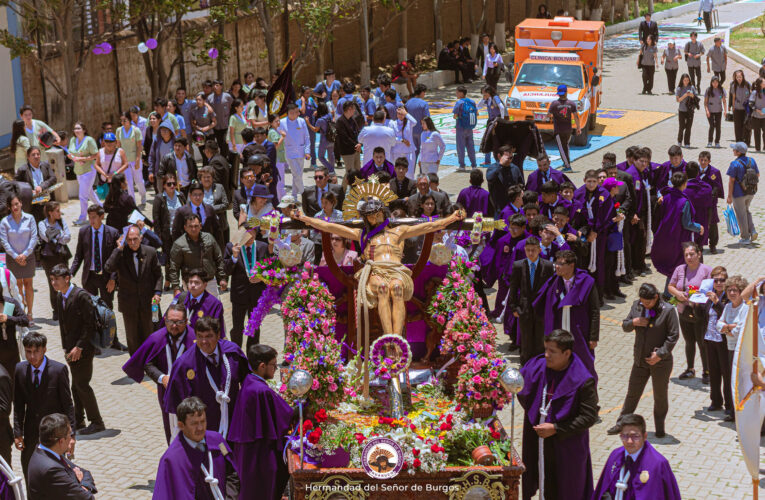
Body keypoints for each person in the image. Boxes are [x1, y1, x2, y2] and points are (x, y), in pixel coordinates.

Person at [518, 329, 599, 500]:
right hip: (539, 441)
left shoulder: (583, 379)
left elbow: (588, 417)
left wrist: (556, 428)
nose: (546, 355)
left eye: (552, 351)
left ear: (567, 353)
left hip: (566, 445)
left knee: (566, 491)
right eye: (546, 349)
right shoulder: (538, 367)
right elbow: (522, 391)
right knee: (542, 482)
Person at [606, 283, 679, 437]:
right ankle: (621, 423)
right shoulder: (637, 306)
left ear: (656, 297)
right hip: (640, 360)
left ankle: (660, 428)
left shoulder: (669, 310)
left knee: (660, 396)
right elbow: (625, 325)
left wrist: (660, 354)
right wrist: (634, 322)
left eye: (648, 303)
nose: (645, 305)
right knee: (632, 393)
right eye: (642, 302)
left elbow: (673, 336)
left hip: (660, 362)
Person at [122, 304, 196, 443]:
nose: (174, 326)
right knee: (170, 428)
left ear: (186, 322)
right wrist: (162, 378)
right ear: (165, 320)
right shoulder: (157, 339)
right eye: (170, 322)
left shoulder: (195, 340)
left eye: (179, 322)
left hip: (191, 392)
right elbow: (148, 364)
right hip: (166, 392)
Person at [229, 344, 295, 500]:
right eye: (273, 365)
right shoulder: (260, 390)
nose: (275, 369)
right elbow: (284, 416)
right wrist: (301, 407)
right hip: (258, 454)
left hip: (249, 449)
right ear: (262, 366)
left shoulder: (249, 380)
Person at [164, 317, 248, 438]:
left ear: (218, 335)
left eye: (209, 336)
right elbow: (176, 403)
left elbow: (248, 383)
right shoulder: (185, 364)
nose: (204, 341)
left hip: (234, 423)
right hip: (204, 429)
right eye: (200, 336)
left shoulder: (232, 354)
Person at [50, 264, 105, 435]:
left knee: (82, 384)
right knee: (75, 386)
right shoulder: (60, 297)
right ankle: (79, 420)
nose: (53, 283)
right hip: (71, 349)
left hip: (84, 349)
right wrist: (66, 348)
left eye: (56, 279)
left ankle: (97, 422)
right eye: (51, 280)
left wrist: (79, 346)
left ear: (67, 279)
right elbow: (63, 326)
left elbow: (90, 326)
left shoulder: (81, 296)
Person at [13, 332, 76, 476]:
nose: (32, 356)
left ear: (44, 350)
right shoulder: (20, 370)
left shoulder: (58, 370)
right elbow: (18, 405)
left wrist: (71, 435)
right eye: (28, 352)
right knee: (30, 474)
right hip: (31, 434)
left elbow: (68, 405)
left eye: (36, 351)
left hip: (54, 435)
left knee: (54, 475)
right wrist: (17, 433)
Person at [154, 396, 239, 499]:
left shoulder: (219, 442)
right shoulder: (171, 460)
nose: (200, 428)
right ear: (181, 425)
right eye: (194, 423)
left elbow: (232, 473)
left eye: (203, 421)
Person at [69, 205, 127, 350]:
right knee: (90, 311)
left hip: (106, 278)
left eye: (94, 217)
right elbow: (79, 256)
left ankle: (113, 340)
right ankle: (94, 342)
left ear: (101, 217)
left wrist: (113, 278)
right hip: (90, 277)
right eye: (89, 217)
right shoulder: (84, 232)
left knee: (107, 309)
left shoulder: (112, 233)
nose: (91, 220)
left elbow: (117, 259)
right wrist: (70, 273)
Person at [534, 250, 600, 378]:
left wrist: (593, 337)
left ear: (571, 265)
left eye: (561, 264)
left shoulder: (587, 282)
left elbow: (594, 311)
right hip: (560, 330)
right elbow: (547, 310)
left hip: (580, 331)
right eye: (556, 263)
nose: (557, 266)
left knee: (585, 364)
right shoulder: (554, 282)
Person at [104, 225, 162, 355]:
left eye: (135, 239)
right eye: (129, 240)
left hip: (148, 302)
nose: (132, 242)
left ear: (141, 238)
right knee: (132, 337)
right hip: (128, 303)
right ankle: (135, 365)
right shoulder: (121, 254)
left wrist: (157, 293)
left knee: (149, 333)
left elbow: (158, 275)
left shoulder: (150, 252)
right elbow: (108, 267)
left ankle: (150, 362)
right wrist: (118, 248)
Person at [594, 414, 681, 500]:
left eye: (635, 436)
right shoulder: (615, 455)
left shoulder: (658, 464)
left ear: (645, 436)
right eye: (625, 436)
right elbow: (603, 488)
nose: (629, 441)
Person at [667, 242, 712, 384]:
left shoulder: (706, 270)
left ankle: (707, 371)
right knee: (689, 341)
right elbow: (670, 286)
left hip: (699, 313)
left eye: (692, 254)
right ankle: (690, 368)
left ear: (699, 254)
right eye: (686, 255)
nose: (689, 257)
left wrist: (697, 296)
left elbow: (710, 290)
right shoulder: (680, 269)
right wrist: (678, 294)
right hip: (683, 310)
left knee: (702, 342)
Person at [27, 413, 97, 498]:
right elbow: (86, 498)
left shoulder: (47, 451)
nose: (72, 441)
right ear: (61, 441)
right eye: (70, 435)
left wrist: (80, 484)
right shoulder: (51, 469)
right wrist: (83, 485)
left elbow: (85, 473)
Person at [508, 236, 554, 365]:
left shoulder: (548, 266)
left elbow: (551, 289)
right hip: (524, 309)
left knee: (540, 340)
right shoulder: (518, 265)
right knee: (526, 341)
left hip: (541, 310)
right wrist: (514, 308)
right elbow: (513, 288)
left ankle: (539, 367)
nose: (530, 253)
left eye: (533, 250)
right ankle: (525, 368)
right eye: (528, 250)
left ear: (539, 250)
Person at [224, 230, 271, 348]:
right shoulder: (232, 247)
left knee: (254, 328)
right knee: (237, 328)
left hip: (257, 294)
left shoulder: (262, 246)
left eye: (252, 234)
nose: (249, 237)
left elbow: (270, 269)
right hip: (239, 294)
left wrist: (261, 277)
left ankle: (252, 357)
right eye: (246, 234)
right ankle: (236, 354)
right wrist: (234, 257)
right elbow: (226, 270)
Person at [702, 266, 734, 421]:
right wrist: (696, 302)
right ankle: (716, 401)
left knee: (726, 373)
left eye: (722, 280)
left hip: (723, 341)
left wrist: (717, 302)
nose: (719, 283)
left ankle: (729, 405)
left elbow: (727, 315)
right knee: (713, 372)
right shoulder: (708, 296)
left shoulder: (728, 298)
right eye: (716, 280)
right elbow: (702, 315)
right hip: (710, 339)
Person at [0, 195, 37, 322]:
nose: (15, 207)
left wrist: (25, 255)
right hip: (12, 258)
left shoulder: (30, 218)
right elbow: (4, 242)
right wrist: (16, 257)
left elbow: (34, 238)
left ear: (21, 203)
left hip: (28, 257)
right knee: (17, 286)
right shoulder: (5, 222)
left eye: (17, 204)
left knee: (28, 284)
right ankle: (22, 313)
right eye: (12, 205)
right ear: (9, 207)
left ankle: (30, 313)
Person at [38, 201, 72, 320]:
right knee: (53, 283)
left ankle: (67, 307)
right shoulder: (42, 224)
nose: (59, 213)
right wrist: (58, 235)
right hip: (49, 258)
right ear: (50, 213)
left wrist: (55, 235)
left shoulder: (61, 222)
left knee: (65, 281)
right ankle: (56, 310)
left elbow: (68, 237)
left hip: (61, 256)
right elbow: (46, 237)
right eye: (57, 211)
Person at [168, 268, 226, 337]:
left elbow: (219, 332)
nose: (192, 285)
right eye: (190, 282)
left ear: (205, 285)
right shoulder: (179, 297)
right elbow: (166, 319)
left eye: (196, 283)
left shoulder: (215, 305)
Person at [171, 182, 223, 251]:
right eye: (195, 195)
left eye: (200, 194)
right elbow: (175, 231)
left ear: (203, 195)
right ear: (190, 195)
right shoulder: (182, 211)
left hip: (207, 249)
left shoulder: (209, 209)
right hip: (189, 249)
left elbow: (217, 230)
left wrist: (219, 249)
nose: (197, 197)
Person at [67, 122, 101, 225]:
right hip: (78, 171)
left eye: (78, 128)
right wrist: (75, 159)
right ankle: (102, 208)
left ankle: (82, 217)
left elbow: (96, 155)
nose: (76, 130)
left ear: (84, 130)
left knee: (82, 196)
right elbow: (69, 154)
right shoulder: (73, 140)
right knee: (90, 192)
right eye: (75, 129)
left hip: (88, 171)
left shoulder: (89, 140)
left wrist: (83, 158)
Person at [725, 142, 759, 244]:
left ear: (739, 152)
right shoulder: (751, 160)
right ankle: (752, 231)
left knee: (741, 215)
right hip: (751, 192)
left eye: (734, 149)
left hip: (738, 194)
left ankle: (745, 237)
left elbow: (731, 181)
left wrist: (729, 196)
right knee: (746, 211)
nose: (733, 150)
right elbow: (757, 174)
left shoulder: (734, 164)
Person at [14, 146, 57, 222]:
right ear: (28, 157)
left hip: (47, 201)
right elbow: (15, 185)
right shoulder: (23, 170)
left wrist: (41, 186)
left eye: (38, 154)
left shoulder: (45, 166)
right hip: (33, 204)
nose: (36, 156)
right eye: (33, 155)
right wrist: (28, 191)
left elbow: (53, 178)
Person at [278, 103, 311, 197]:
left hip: (301, 151)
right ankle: (304, 194)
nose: (294, 114)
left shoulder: (301, 121)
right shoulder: (282, 122)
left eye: (296, 112)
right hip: (289, 152)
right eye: (291, 112)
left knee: (298, 175)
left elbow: (307, 137)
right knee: (296, 173)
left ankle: (294, 195)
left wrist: (307, 151)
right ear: (287, 113)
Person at [546, 85, 581, 172]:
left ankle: (567, 166)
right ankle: (565, 162)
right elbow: (576, 116)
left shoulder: (554, 104)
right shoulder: (571, 104)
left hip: (558, 130)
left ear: (558, 94)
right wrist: (578, 127)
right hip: (568, 130)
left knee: (561, 148)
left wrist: (543, 118)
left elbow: (548, 115)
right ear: (566, 92)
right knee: (566, 146)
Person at [719, 275, 749, 369]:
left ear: (741, 291)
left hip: (742, 351)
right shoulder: (728, 306)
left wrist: (726, 328)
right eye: (729, 290)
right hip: (730, 348)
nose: (731, 293)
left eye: (735, 290)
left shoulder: (746, 308)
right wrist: (730, 327)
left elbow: (740, 330)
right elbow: (718, 325)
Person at [115, 111, 146, 204]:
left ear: (130, 120)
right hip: (125, 161)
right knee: (128, 182)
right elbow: (118, 145)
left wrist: (137, 160)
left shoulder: (136, 130)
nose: (123, 122)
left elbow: (139, 146)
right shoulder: (119, 130)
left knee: (138, 181)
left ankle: (143, 194)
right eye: (121, 120)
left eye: (125, 120)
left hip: (135, 159)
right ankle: (132, 202)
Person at [697, 150, 724, 254]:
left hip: (710, 202)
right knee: (699, 223)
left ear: (709, 161)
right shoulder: (696, 171)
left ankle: (713, 245)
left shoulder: (714, 172)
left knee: (712, 223)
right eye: (701, 160)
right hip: (699, 202)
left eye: (705, 160)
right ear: (699, 160)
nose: (703, 162)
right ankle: (700, 244)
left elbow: (718, 185)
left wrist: (713, 193)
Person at [486, 145, 524, 216]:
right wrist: (500, 165)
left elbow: (521, 183)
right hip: (498, 207)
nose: (509, 160)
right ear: (499, 156)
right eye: (507, 158)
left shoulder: (515, 168)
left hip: (513, 206)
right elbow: (489, 178)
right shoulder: (493, 167)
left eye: (511, 157)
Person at [198, 166, 229, 243]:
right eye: (204, 177)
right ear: (200, 179)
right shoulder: (196, 188)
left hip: (218, 224)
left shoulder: (219, 187)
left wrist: (210, 209)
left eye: (208, 177)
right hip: (202, 225)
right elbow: (191, 204)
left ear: (212, 178)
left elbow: (225, 204)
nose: (206, 179)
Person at [452, 86, 478, 171]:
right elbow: (477, 113)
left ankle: (462, 166)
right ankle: (474, 165)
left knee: (460, 147)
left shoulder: (459, 103)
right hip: (470, 128)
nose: (456, 94)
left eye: (457, 92)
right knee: (471, 146)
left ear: (461, 93)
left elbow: (455, 116)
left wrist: (459, 118)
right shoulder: (472, 101)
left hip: (460, 127)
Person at [207, 79, 233, 158]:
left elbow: (232, 108)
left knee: (225, 143)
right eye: (214, 85)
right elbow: (207, 111)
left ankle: (225, 159)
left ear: (221, 86)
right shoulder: (210, 98)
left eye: (217, 85)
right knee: (219, 144)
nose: (215, 87)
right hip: (216, 126)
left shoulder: (227, 96)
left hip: (226, 125)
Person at [190, 92, 217, 164]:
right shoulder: (194, 111)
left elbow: (214, 122)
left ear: (204, 101)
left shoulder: (209, 110)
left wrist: (207, 128)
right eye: (197, 100)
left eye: (200, 100)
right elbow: (193, 123)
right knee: (203, 153)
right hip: (200, 136)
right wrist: (196, 127)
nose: (198, 102)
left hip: (209, 135)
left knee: (211, 153)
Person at [335, 102, 362, 174]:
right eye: (354, 109)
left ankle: (356, 185)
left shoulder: (352, 119)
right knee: (349, 173)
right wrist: (356, 145)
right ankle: (343, 186)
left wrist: (360, 143)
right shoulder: (340, 121)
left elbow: (358, 132)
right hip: (347, 151)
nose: (354, 111)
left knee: (357, 172)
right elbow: (344, 138)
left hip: (356, 149)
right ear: (349, 109)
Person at [391, 104, 417, 177]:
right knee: (397, 174)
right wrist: (402, 140)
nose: (400, 115)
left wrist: (406, 114)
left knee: (409, 174)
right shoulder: (393, 123)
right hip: (397, 151)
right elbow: (392, 137)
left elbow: (415, 122)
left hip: (408, 151)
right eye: (398, 113)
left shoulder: (409, 122)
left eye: (402, 113)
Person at [407, 84, 431, 158]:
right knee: (423, 154)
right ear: (421, 92)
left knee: (413, 155)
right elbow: (426, 118)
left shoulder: (408, 103)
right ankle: (422, 170)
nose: (424, 94)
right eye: (424, 92)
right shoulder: (424, 104)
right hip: (421, 131)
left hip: (410, 131)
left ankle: (412, 169)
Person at [729, 70, 752, 145]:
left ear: (743, 77)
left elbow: (751, 95)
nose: (739, 78)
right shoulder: (734, 86)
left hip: (746, 109)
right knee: (737, 126)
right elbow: (733, 97)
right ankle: (738, 141)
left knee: (746, 125)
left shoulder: (747, 84)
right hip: (737, 108)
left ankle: (746, 141)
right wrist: (733, 107)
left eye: (740, 77)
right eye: (737, 77)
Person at [675, 73, 698, 147]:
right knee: (681, 127)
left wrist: (692, 95)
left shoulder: (692, 87)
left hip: (690, 110)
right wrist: (685, 95)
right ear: (682, 80)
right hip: (682, 110)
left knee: (688, 127)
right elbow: (678, 100)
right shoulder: (679, 88)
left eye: (687, 80)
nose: (686, 82)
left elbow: (696, 97)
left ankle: (687, 142)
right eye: (685, 80)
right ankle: (679, 141)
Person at [704, 75, 726, 148]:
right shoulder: (708, 90)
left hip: (718, 111)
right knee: (712, 126)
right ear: (711, 83)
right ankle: (710, 141)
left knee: (718, 126)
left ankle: (717, 142)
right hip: (710, 110)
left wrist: (725, 111)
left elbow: (724, 101)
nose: (715, 84)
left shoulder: (721, 90)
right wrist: (707, 110)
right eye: (713, 82)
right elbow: (705, 102)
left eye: (716, 82)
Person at [749, 77, 765, 152]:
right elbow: (751, 104)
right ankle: (757, 148)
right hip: (756, 116)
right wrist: (758, 111)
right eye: (763, 82)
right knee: (757, 133)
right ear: (760, 84)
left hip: (764, 116)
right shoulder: (754, 92)